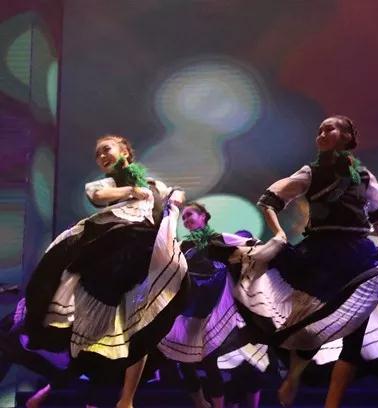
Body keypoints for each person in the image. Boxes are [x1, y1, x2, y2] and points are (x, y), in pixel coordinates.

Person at [235, 115, 378, 407]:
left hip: (359, 254)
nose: (321, 133)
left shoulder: (363, 174)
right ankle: (294, 375)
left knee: (355, 332)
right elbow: (270, 199)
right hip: (321, 253)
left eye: (328, 129)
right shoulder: (311, 172)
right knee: (307, 323)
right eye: (319, 130)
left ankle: (330, 401)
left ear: (347, 136)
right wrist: (280, 234)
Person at [23, 134, 188, 408]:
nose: (101, 157)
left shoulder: (152, 184)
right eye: (98, 154)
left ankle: (126, 399)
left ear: (125, 151)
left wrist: (175, 195)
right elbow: (96, 194)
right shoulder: (110, 183)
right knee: (98, 332)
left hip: (147, 253)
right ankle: (89, 393)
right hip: (116, 251)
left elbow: (169, 199)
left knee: (143, 327)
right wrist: (130, 191)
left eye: (106, 149)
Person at [159, 202, 253, 408]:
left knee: (210, 362)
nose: (186, 220)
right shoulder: (184, 245)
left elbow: (250, 244)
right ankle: (201, 403)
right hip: (187, 310)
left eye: (190, 214)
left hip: (212, 310)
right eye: (184, 217)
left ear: (203, 216)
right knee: (184, 362)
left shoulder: (219, 239)